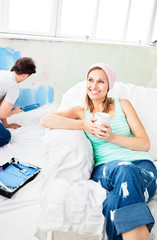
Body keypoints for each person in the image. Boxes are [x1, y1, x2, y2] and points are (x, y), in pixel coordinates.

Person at [40, 63, 157, 240]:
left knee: (113, 201)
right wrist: (84, 124)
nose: (94, 86)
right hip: (106, 169)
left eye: (101, 81)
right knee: (125, 169)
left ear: (109, 85)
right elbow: (45, 119)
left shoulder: (123, 104)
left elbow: (144, 144)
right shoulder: (81, 111)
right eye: (90, 80)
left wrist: (112, 137)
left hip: (143, 166)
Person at [0, 57, 36, 147]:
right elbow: (2, 114)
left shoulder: (2, 73)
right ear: (25, 75)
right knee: (5, 137)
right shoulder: (13, 87)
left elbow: (2, 105)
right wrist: (14, 111)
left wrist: (6, 124)